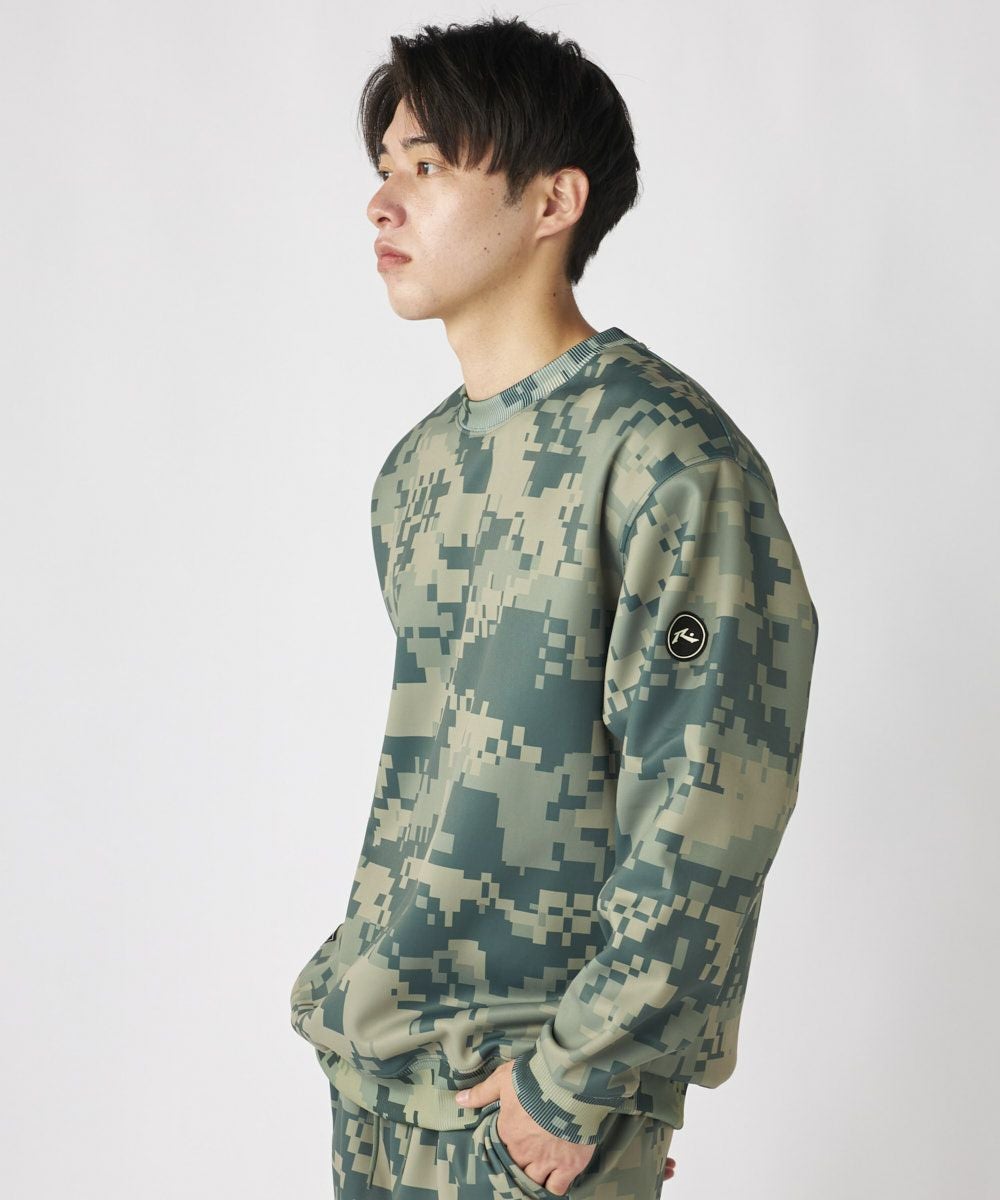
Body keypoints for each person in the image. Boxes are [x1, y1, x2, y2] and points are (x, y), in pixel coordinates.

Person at [290, 14, 819, 1199]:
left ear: (552, 201)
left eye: (428, 166)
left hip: (522, 1094)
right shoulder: (415, 473)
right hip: (378, 1077)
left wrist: (591, 1081)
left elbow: (713, 790)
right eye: (384, 167)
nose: (382, 202)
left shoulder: (667, 463)